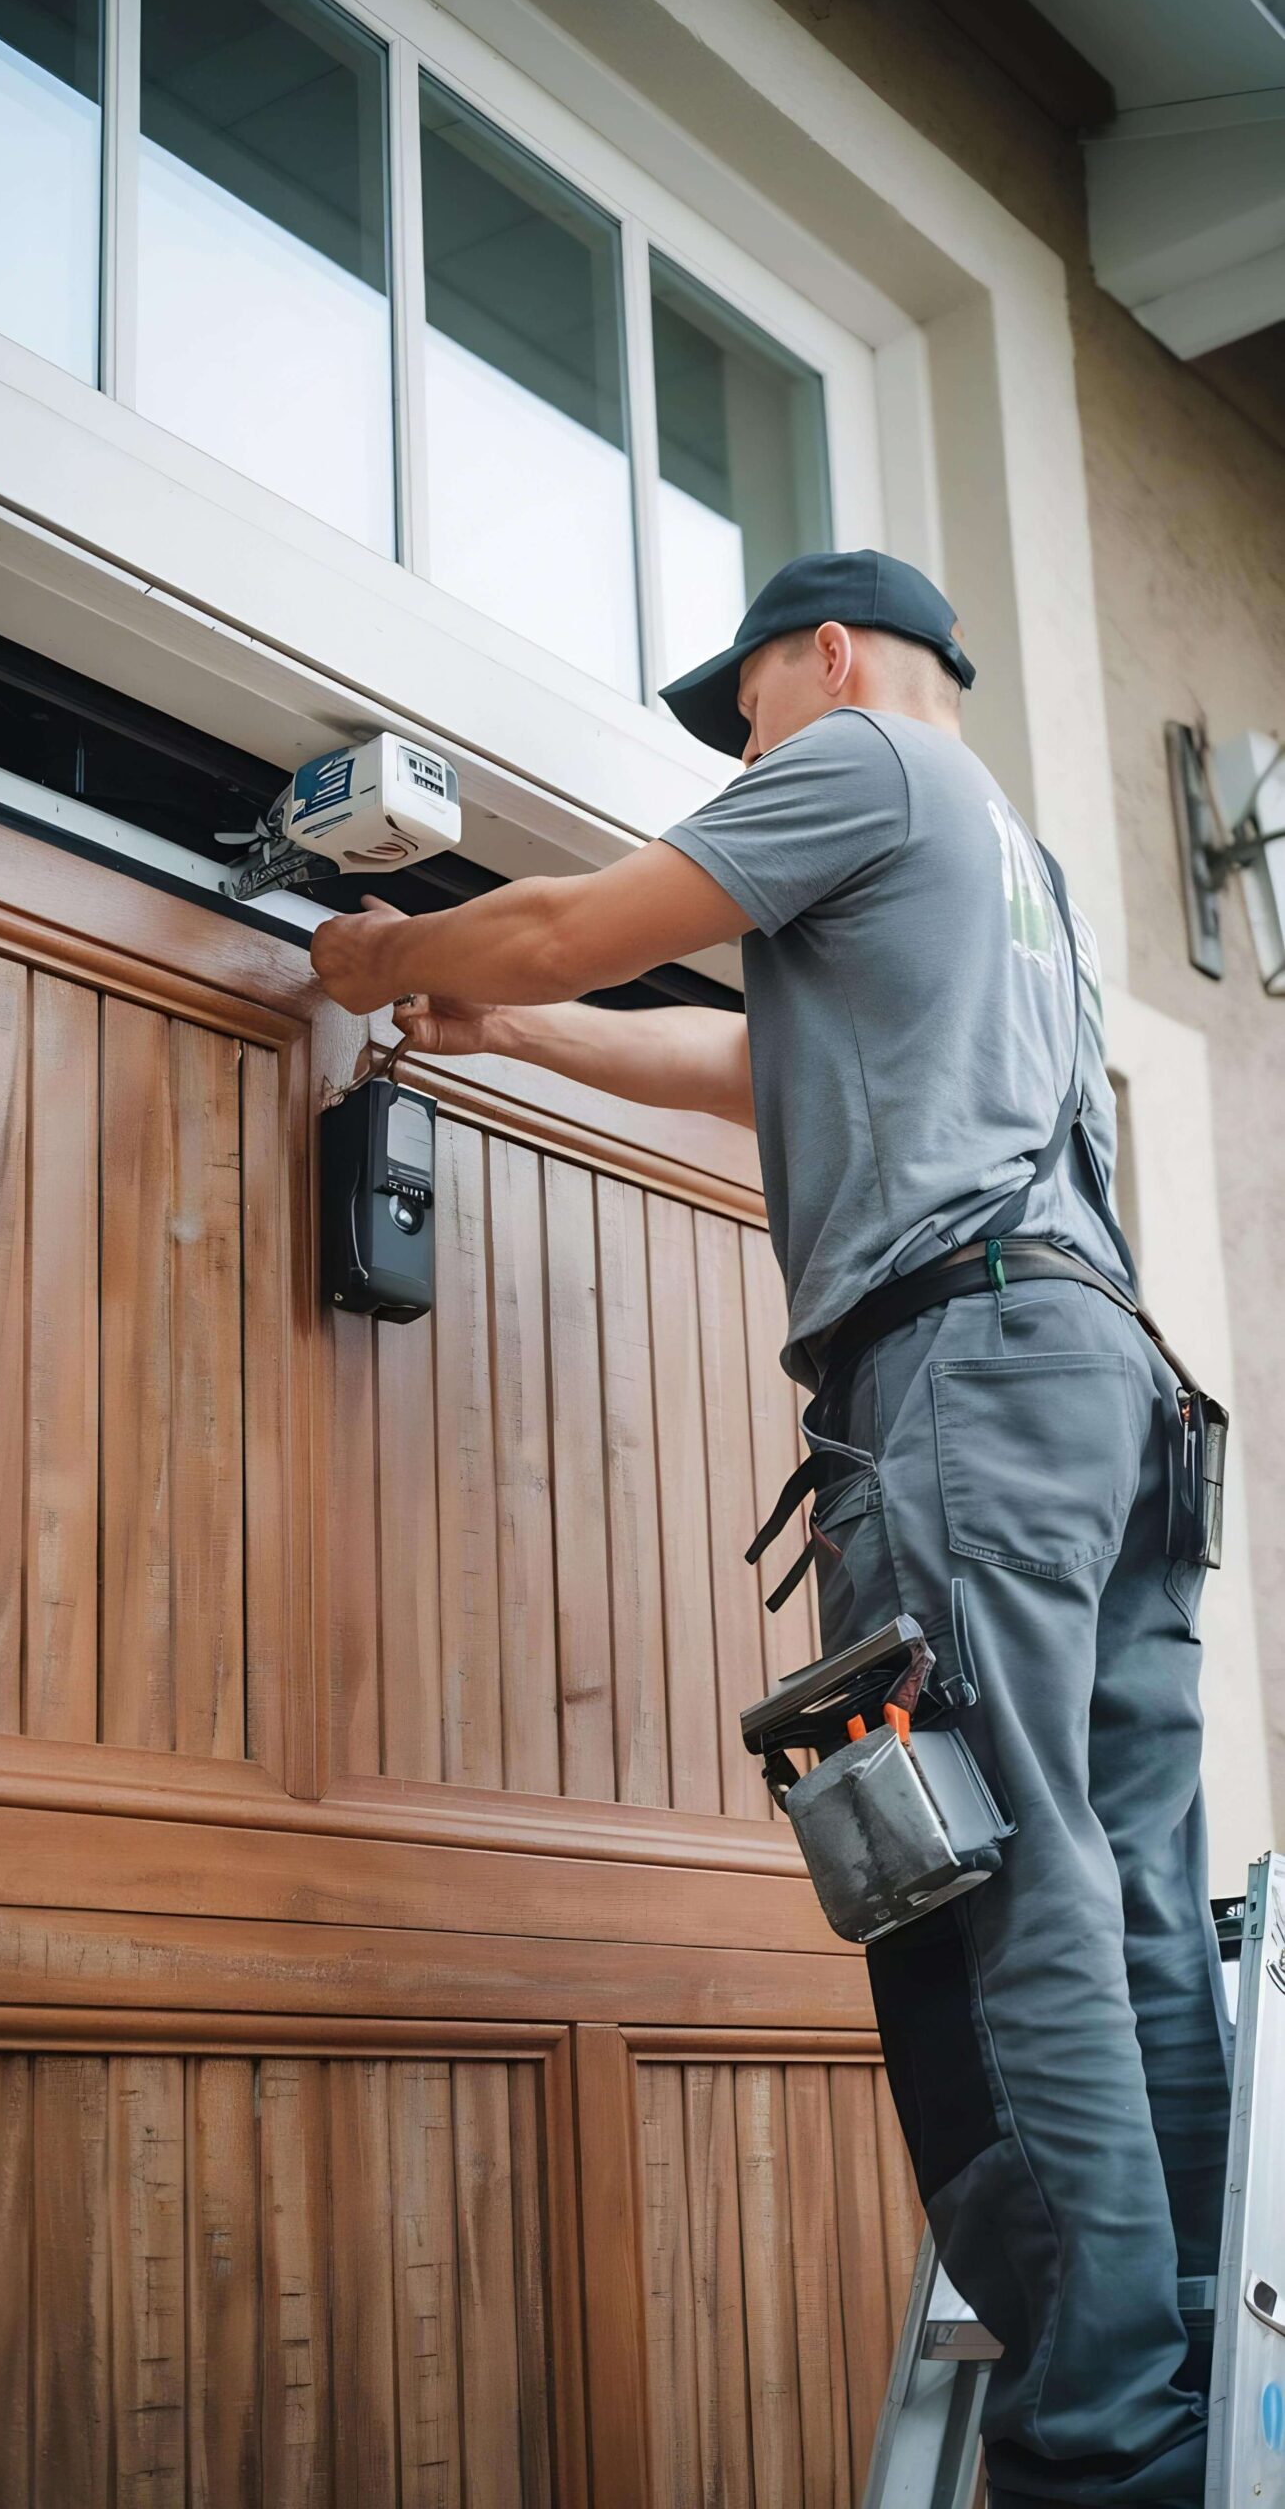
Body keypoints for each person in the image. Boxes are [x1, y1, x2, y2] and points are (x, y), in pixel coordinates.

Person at [309, 548, 1232, 2508]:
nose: (745, 753)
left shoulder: (867, 759)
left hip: (962, 1380)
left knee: (996, 1897)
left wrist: (401, 958)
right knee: (1130, 1907)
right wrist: (517, 1033)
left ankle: (1100, 2456)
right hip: (1106, 1387)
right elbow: (758, 1063)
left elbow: (568, 919)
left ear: (825, 656)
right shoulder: (1015, 872)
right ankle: (1193, 2407)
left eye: (744, 717)